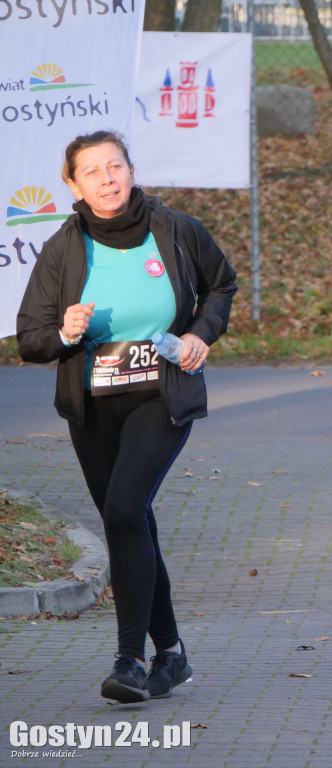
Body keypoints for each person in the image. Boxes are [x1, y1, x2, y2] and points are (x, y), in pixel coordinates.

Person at [17, 131, 237, 704]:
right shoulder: (63, 249)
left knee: (122, 508)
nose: (107, 178)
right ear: (73, 184)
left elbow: (221, 286)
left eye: (115, 166)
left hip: (160, 393)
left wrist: (200, 333)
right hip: (92, 405)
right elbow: (31, 339)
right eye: (92, 171)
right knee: (128, 520)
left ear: (132, 171)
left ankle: (129, 660)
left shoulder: (176, 230)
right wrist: (65, 332)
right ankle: (172, 653)